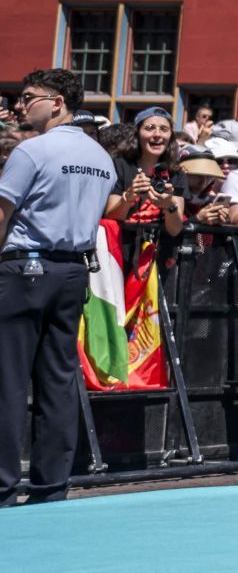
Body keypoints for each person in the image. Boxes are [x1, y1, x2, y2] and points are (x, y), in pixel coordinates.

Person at [0, 70, 119, 504]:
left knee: (8, 380)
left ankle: (2, 484)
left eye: (28, 97)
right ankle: (51, 485)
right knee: (57, 378)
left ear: (57, 102)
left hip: (25, 268)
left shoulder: (32, 151)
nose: (18, 105)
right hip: (72, 273)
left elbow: (2, 211)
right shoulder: (100, 157)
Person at [105, 109, 185, 238]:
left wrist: (169, 204)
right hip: (122, 250)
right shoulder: (120, 165)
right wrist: (128, 197)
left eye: (164, 129)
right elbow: (111, 215)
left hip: (159, 252)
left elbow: (175, 230)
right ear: (137, 134)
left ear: (171, 136)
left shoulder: (176, 173)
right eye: (150, 128)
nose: (157, 134)